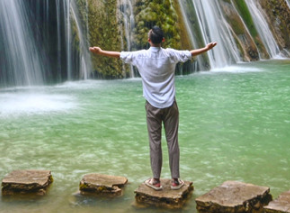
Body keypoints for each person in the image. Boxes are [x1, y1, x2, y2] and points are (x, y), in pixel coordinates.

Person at [89, 27, 218, 191]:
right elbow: (190, 54)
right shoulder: (170, 54)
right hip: (170, 104)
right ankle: (175, 181)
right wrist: (206, 49)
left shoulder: (140, 56)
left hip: (152, 106)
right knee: (173, 141)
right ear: (163, 41)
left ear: (149, 40)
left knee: (154, 142)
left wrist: (100, 52)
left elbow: (120, 55)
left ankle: (156, 181)